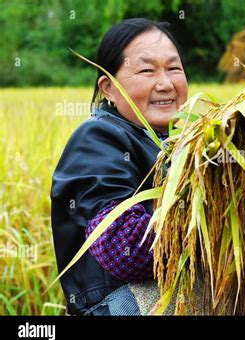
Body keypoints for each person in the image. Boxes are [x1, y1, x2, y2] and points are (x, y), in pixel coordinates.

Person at [50, 18, 188, 316]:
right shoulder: (97, 138)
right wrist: (221, 217)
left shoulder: (188, 142)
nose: (165, 83)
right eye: (147, 70)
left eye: (174, 68)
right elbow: (121, 248)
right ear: (109, 88)